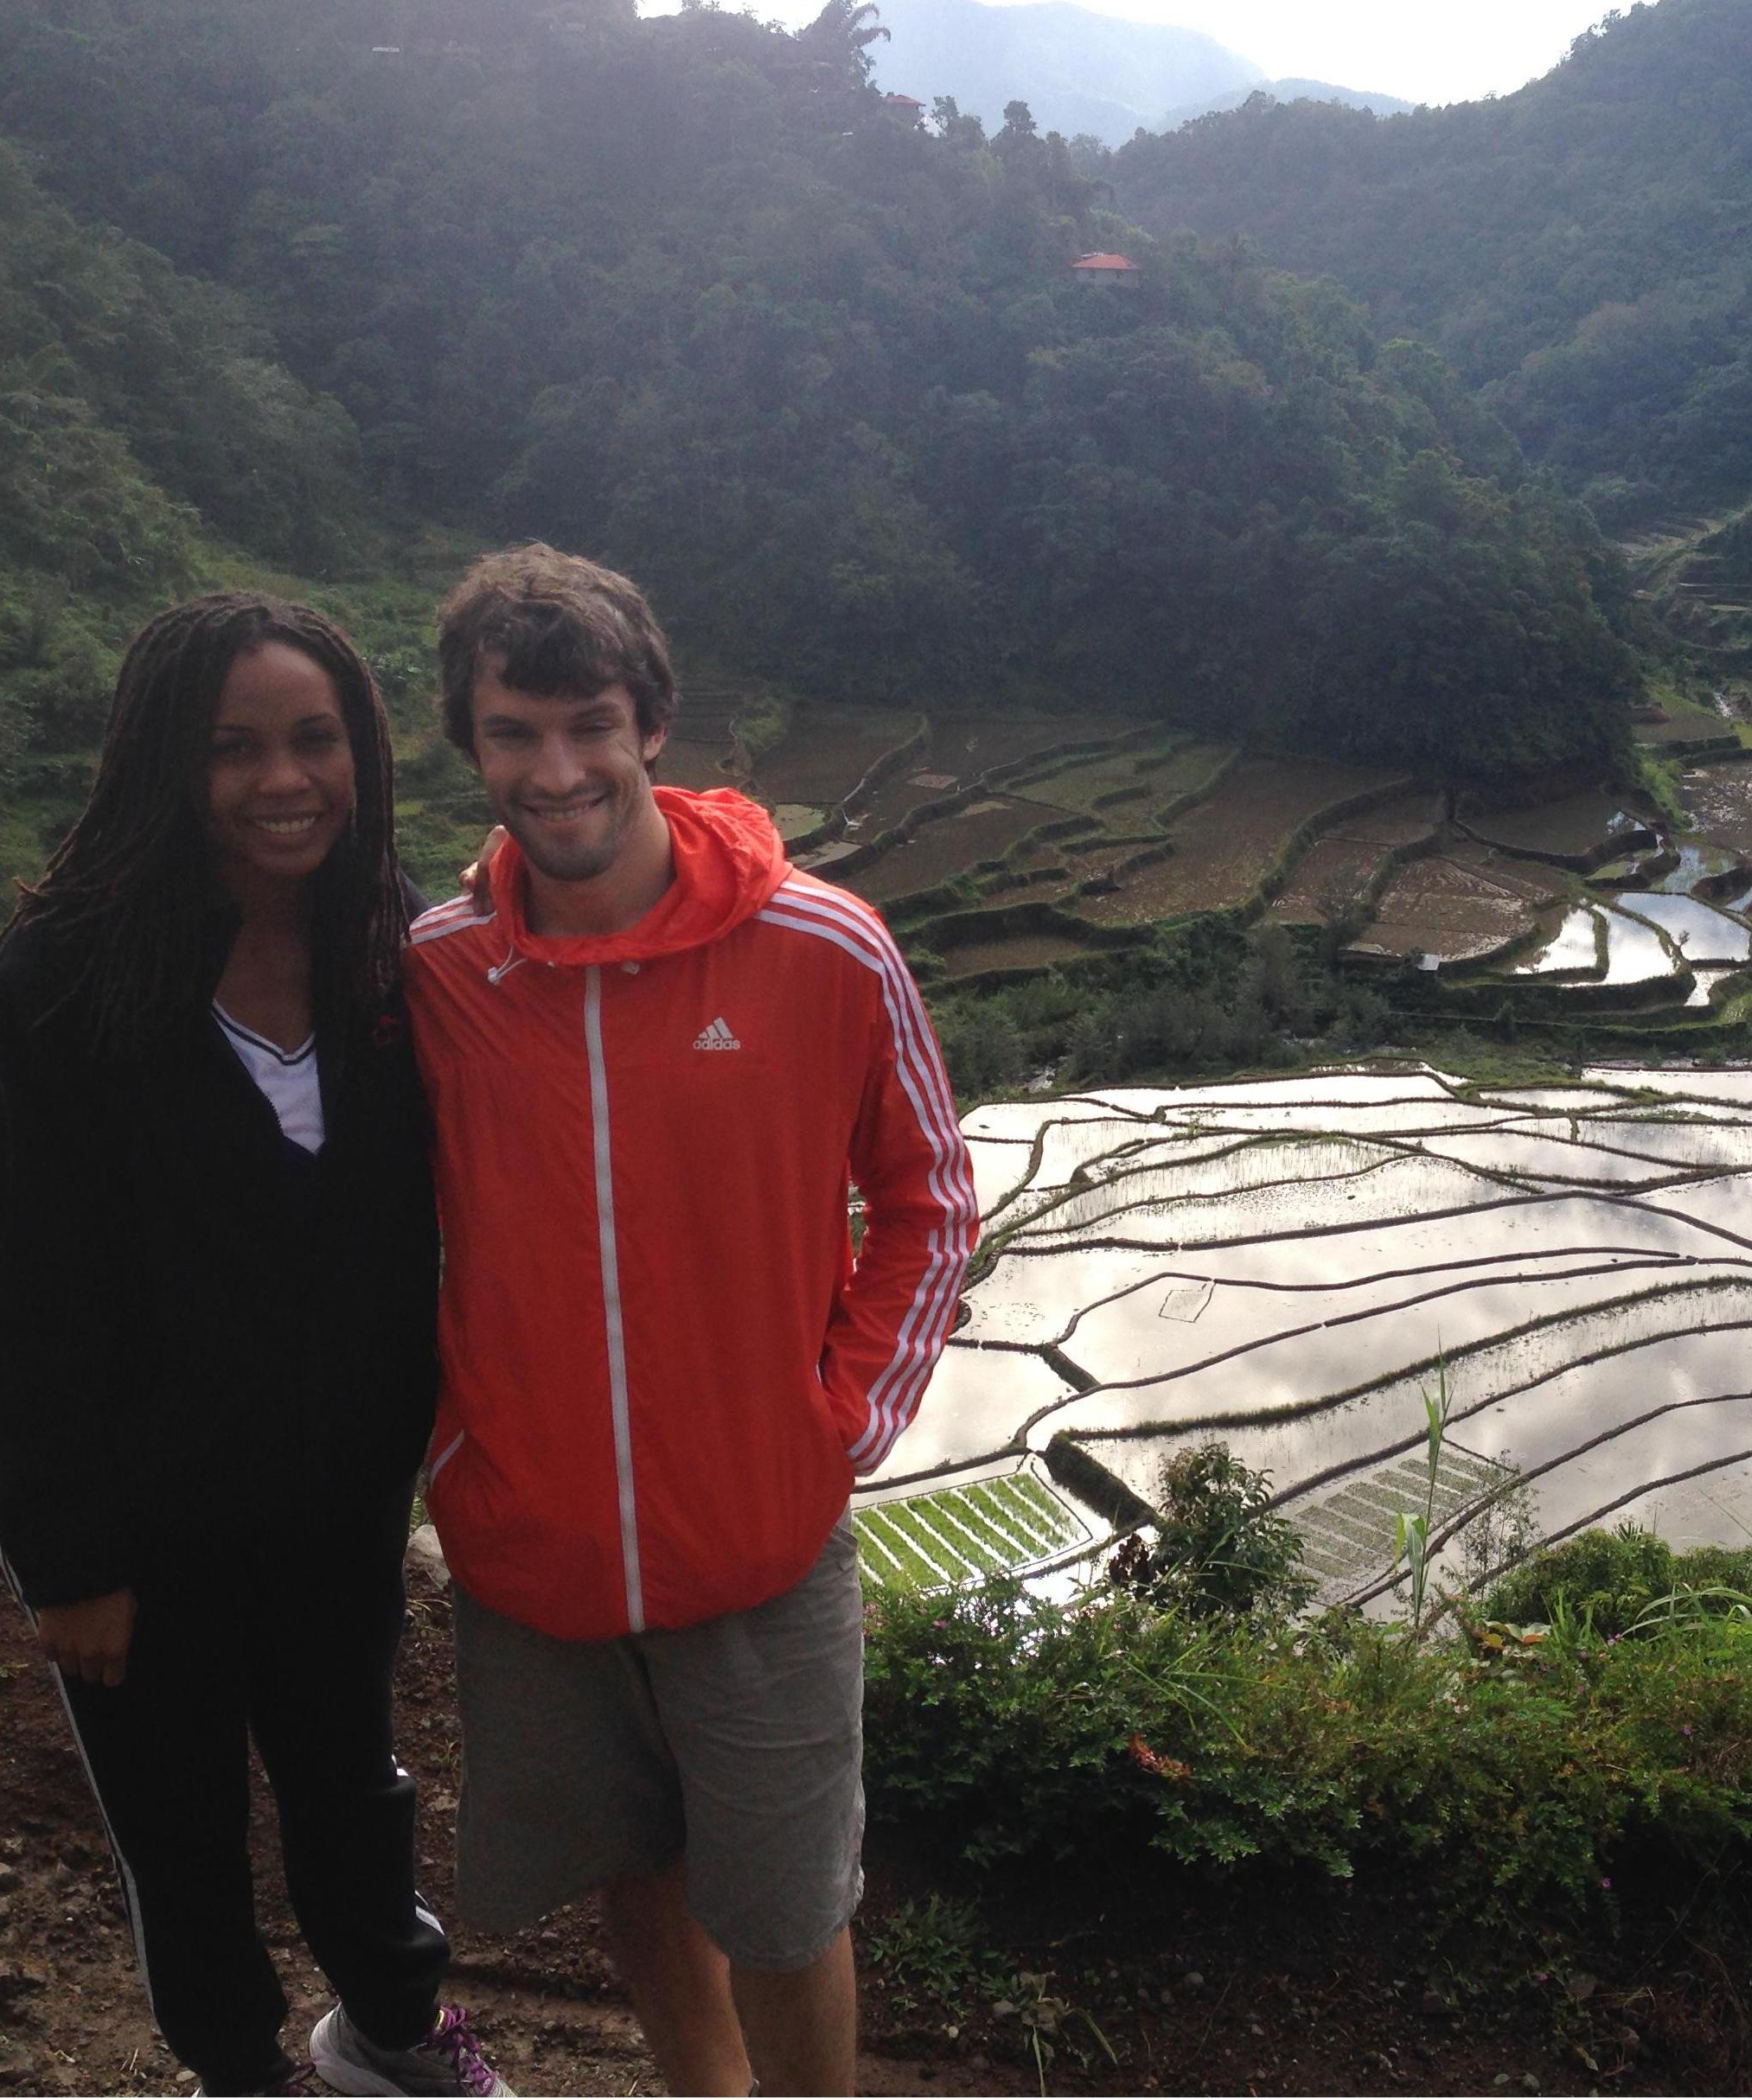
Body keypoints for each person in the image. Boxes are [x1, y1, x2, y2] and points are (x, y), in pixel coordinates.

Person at [405, 545, 978, 2097]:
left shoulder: (823, 946)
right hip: (534, 1546)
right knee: (630, 1867)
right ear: (472, 746)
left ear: (652, 723)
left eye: (587, 722)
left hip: (761, 1545)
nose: (556, 767)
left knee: (790, 1907)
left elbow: (929, 1201)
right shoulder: (441, 974)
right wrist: (456, 1448)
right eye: (513, 733)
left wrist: (834, 1424)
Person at [0, 594, 506, 2099]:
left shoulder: (385, 943)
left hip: (335, 1505)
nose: (284, 778)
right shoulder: (70, 977)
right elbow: (15, 1282)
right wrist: (67, 1557)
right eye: (233, 747)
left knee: (352, 1788)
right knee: (179, 1825)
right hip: (144, 1523)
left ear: (361, 750)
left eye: (315, 738)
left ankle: (394, 2028)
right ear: (161, 765)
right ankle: (234, 2070)